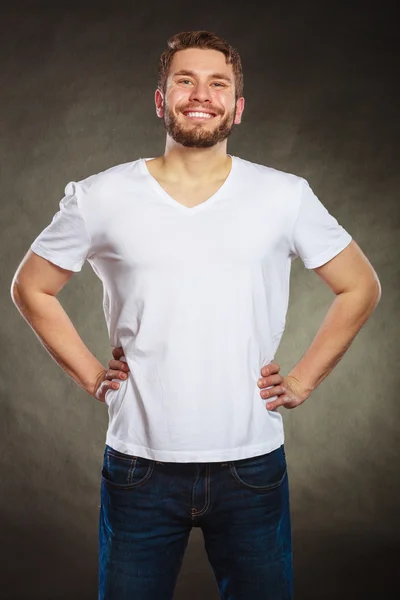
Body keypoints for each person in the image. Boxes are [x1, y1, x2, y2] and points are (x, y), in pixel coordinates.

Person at [10, 30, 381, 600]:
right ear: (162, 100)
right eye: (185, 80)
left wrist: (304, 379)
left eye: (218, 83)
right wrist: (91, 375)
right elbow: (32, 286)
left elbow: (359, 285)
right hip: (139, 467)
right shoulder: (100, 197)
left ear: (237, 106)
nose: (200, 94)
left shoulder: (284, 196)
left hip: (252, 465)